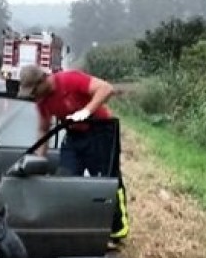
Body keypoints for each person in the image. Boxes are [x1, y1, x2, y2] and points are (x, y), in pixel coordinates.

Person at [16, 64, 129, 248]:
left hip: (100, 131)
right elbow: (43, 129)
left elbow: (106, 89)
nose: (33, 96)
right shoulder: (42, 101)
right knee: (64, 178)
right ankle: (66, 227)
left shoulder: (69, 79)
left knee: (106, 180)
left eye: (34, 90)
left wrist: (85, 111)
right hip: (74, 135)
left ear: (43, 80)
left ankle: (118, 229)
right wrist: (39, 161)